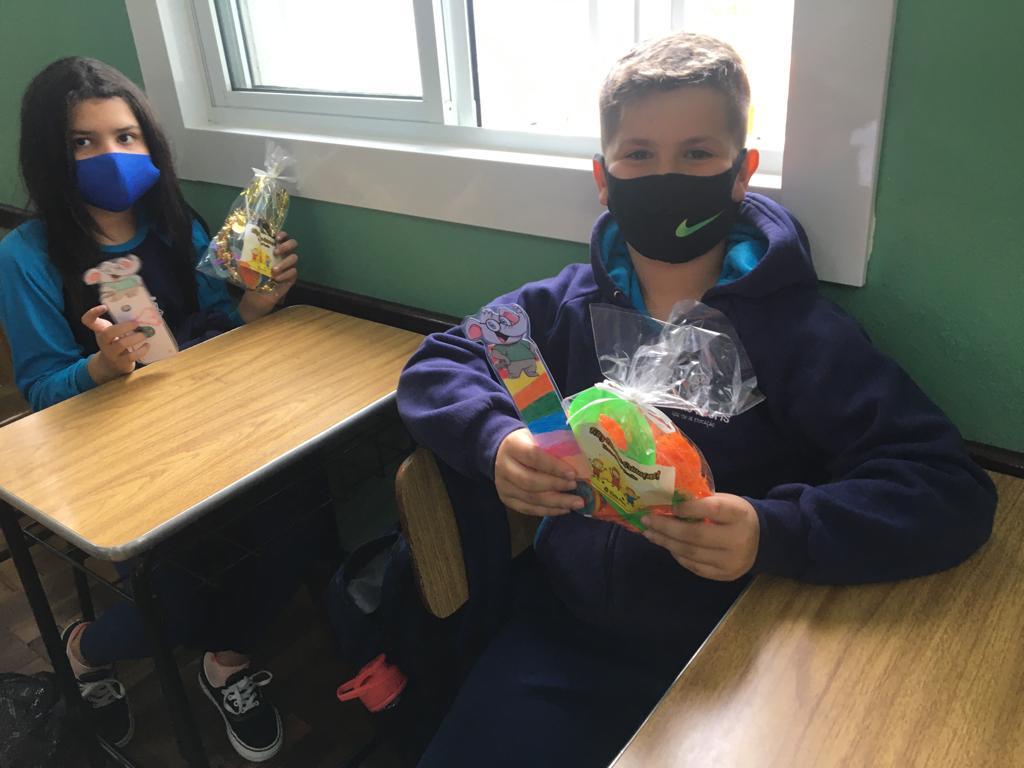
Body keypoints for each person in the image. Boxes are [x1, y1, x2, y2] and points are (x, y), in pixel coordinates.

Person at [396, 31, 997, 767]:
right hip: (562, 638)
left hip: (741, 647)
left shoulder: (797, 334)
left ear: (742, 174)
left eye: (697, 154)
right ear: (603, 178)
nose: (666, 177)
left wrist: (772, 530)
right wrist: (498, 442)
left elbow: (944, 486)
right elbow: (443, 361)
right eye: (639, 155)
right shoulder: (564, 307)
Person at [0, 57, 303, 762]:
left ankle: (225, 664)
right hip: (113, 454)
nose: (110, 155)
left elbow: (216, 326)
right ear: (49, 152)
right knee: (176, 607)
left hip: (210, 427)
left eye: (125, 136)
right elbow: (40, 389)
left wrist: (253, 307)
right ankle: (84, 648)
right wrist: (101, 367)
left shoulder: (175, 224)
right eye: (83, 142)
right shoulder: (26, 255)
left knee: (297, 527)